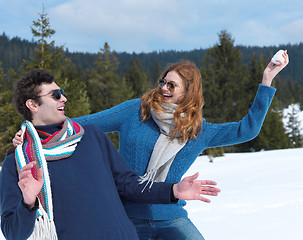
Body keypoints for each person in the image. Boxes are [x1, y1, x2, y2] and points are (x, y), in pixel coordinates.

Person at [13, 51, 289, 240]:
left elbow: (248, 129)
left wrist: (267, 80)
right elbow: (81, 125)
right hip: (126, 215)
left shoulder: (199, 131)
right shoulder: (135, 111)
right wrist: (32, 132)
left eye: (172, 85)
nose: (164, 88)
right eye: (163, 82)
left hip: (171, 217)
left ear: (188, 92)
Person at [1, 70, 221, 240]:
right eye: (56, 95)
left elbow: (129, 184)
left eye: (63, 93)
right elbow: (13, 232)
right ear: (32, 104)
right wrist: (28, 203)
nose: (64, 99)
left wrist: (173, 190)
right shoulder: (18, 163)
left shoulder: (90, 137)